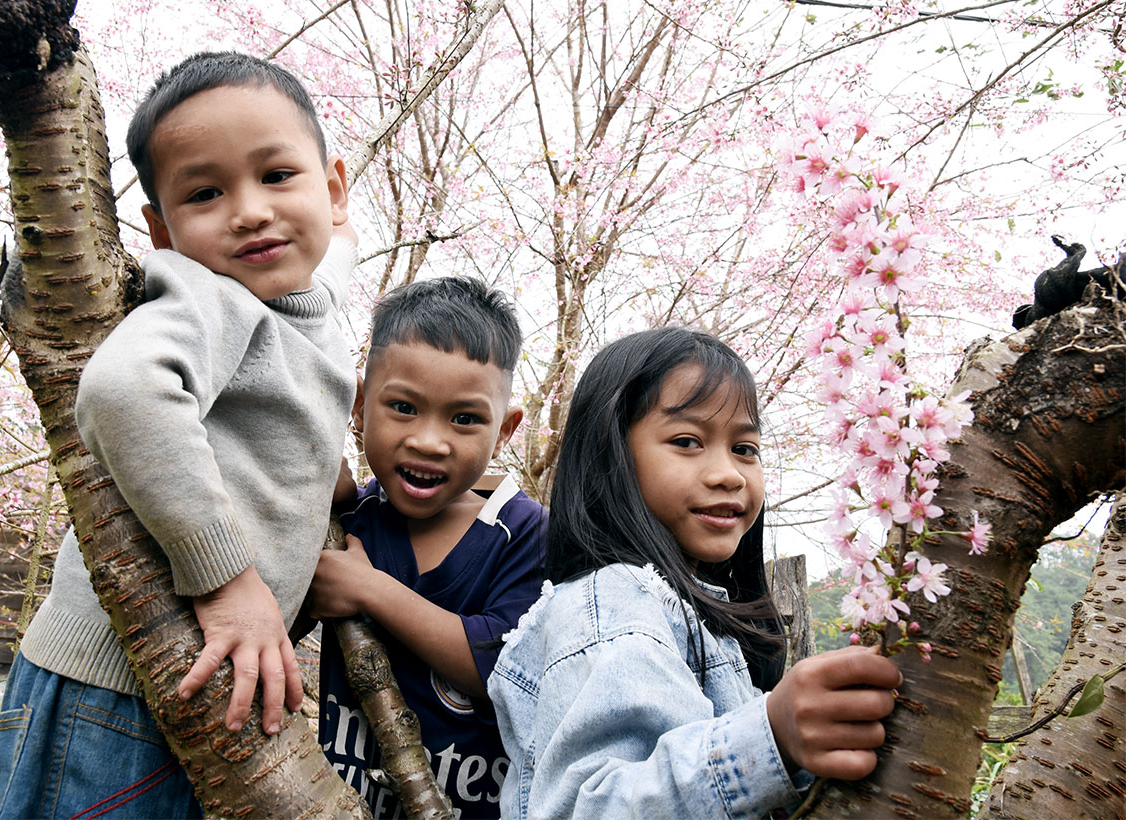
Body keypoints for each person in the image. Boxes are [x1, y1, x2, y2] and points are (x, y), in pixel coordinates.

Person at [0, 51, 357, 820]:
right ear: (162, 230)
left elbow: (268, 423)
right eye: (205, 193)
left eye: (277, 176)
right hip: (110, 691)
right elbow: (124, 391)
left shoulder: (302, 308)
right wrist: (227, 578)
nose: (249, 210)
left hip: (174, 690)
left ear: (335, 189)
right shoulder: (210, 296)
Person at [488, 327, 903, 819]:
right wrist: (770, 738)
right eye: (687, 441)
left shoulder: (686, 615)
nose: (728, 473)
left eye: (745, 448)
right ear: (611, 455)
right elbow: (588, 808)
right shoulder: (612, 602)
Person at [305, 277, 546, 819]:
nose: (429, 441)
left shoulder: (524, 532)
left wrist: (371, 590)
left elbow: (501, 665)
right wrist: (310, 503)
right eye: (404, 407)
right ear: (360, 406)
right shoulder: (355, 522)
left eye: (465, 419)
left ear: (504, 430)